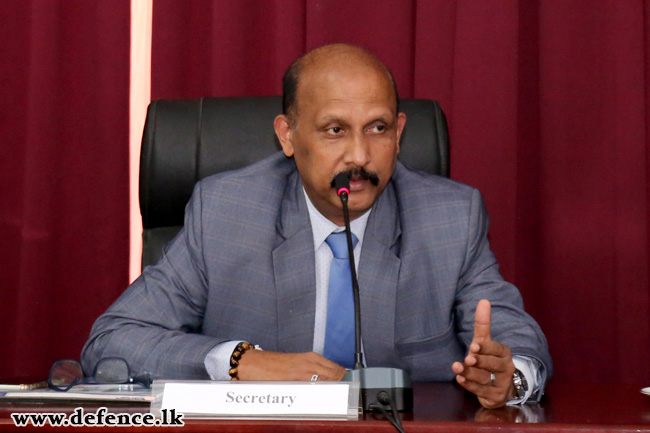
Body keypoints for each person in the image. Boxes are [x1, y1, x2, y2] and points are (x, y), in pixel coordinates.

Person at [82, 44, 551, 409]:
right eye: (334, 130)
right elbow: (112, 341)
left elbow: (516, 342)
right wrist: (241, 361)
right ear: (287, 135)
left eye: (378, 128)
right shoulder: (226, 211)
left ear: (400, 132)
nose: (360, 157)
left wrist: (508, 377)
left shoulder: (450, 216)